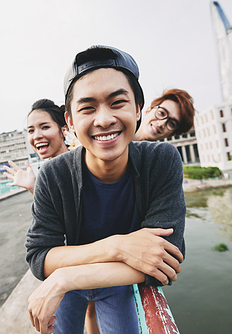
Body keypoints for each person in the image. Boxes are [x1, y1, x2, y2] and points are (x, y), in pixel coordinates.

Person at [26, 45, 186, 334]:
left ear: (138, 109)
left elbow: (167, 260)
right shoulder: (53, 174)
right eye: (87, 108)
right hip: (104, 270)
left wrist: (65, 279)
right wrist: (119, 245)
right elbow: (39, 256)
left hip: (112, 280)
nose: (103, 120)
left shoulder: (161, 160)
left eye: (117, 103)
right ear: (70, 122)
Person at [3, 99, 70, 195]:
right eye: (31, 131)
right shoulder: (48, 175)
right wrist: (34, 188)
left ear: (64, 130)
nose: (36, 136)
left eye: (45, 127)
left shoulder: (86, 162)